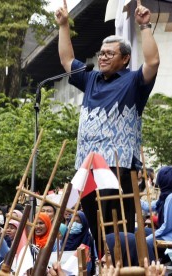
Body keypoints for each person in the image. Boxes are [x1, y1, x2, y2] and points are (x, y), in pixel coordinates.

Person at [55, 0, 160, 244]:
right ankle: (104, 266)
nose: (102, 58)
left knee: (117, 232)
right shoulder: (90, 78)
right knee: (96, 230)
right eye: (101, 53)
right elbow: (66, 60)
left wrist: (144, 27)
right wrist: (63, 26)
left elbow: (153, 63)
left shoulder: (134, 82)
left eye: (109, 54)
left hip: (117, 167)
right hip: (86, 167)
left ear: (125, 59)